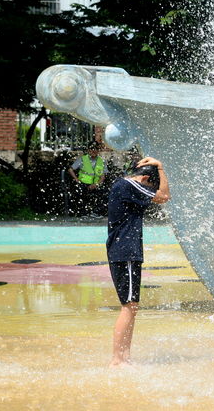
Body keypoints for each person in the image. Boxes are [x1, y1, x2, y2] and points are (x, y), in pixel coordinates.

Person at [106, 157, 170, 367]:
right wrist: (160, 167)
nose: (150, 191)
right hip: (126, 252)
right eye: (150, 185)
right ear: (144, 178)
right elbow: (163, 196)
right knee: (129, 306)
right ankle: (117, 359)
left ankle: (124, 357)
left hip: (123, 252)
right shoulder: (129, 184)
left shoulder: (123, 185)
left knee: (131, 306)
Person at [68, 140, 108, 217]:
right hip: (83, 183)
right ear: (88, 150)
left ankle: (96, 213)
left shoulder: (101, 161)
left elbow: (103, 176)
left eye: (96, 149)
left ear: (98, 150)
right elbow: (70, 169)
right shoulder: (82, 159)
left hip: (95, 184)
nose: (94, 150)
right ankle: (82, 212)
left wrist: (96, 184)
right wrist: (76, 179)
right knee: (79, 190)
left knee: (103, 191)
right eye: (92, 149)